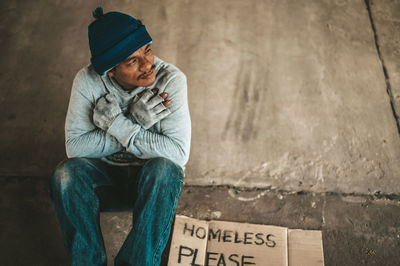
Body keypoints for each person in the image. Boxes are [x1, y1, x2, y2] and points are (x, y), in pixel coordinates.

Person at [48, 7, 191, 266]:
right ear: (110, 71)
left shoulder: (171, 80)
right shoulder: (88, 81)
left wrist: (117, 123)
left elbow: (178, 154)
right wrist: (134, 121)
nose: (148, 64)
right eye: (132, 60)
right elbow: (75, 148)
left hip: (148, 185)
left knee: (165, 170)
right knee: (66, 174)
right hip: (106, 181)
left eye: (147, 49)